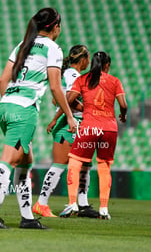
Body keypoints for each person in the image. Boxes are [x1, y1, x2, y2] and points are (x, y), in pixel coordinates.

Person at [0, 7, 78, 229]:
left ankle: (28, 218)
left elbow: (2, 80)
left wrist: (10, 101)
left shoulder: (22, 45)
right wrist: (70, 117)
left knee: (25, 161)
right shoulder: (53, 49)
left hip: (6, 106)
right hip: (24, 110)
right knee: (9, 160)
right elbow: (55, 87)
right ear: (55, 27)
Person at [32, 45, 98, 218]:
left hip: (73, 123)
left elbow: (57, 100)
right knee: (60, 164)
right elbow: (68, 99)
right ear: (82, 59)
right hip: (69, 125)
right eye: (88, 58)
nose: (89, 62)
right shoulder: (73, 75)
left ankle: (82, 204)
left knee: (84, 165)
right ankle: (41, 203)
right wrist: (85, 108)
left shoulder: (68, 74)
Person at [61, 51, 127, 220]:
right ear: (107, 65)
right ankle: (104, 208)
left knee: (75, 163)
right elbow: (123, 105)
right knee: (104, 167)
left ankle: (72, 203)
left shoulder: (82, 79)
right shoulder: (115, 81)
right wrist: (123, 115)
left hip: (89, 127)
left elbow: (68, 100)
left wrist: (82, 107)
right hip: (109, 129)